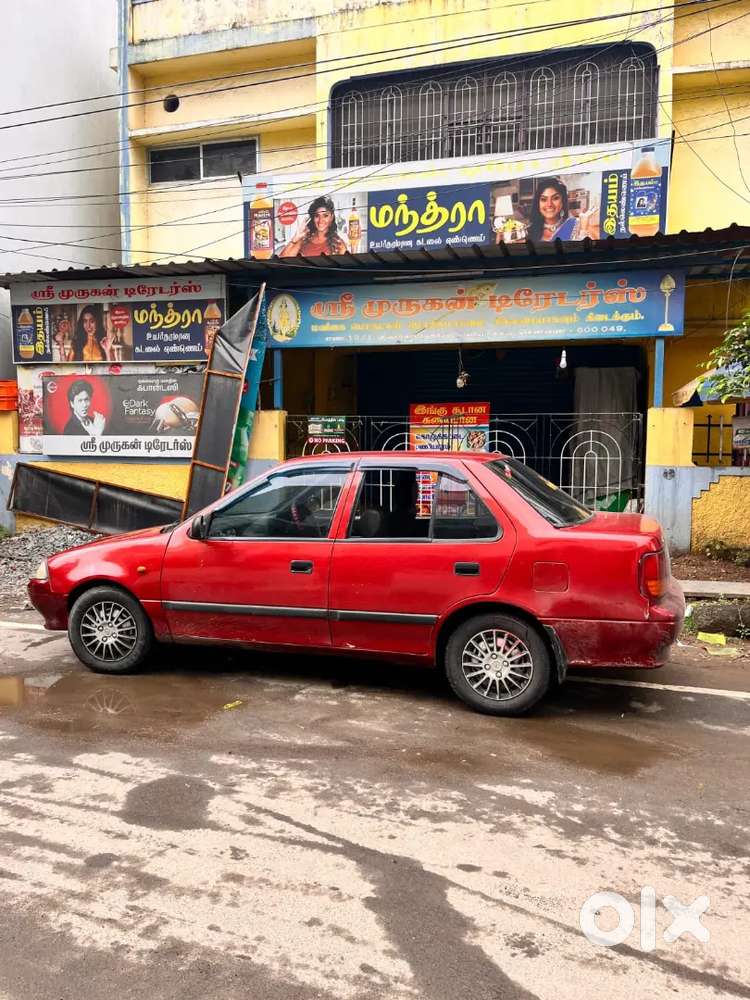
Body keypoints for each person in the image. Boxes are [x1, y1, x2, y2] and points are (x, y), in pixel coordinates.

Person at [527, 177, 599, 242]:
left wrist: (583, 230)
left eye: (555, 198)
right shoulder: (528, 231)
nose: (549, 204)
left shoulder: (576, 225)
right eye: (543, 199)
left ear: (563, 201)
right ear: (538, 203)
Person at [279, 196, 348, 257]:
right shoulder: (304, 239)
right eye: (317, 216)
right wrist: (295, 238)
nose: (321, 220)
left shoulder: (338, 244)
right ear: (313, 218)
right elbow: (282, 260)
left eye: (325, 216)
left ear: (331, 217)